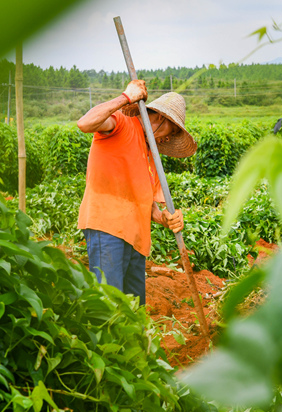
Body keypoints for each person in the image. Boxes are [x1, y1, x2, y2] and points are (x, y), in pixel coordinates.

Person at [76, 79, 197, 304]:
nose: (166, 140)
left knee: (133, 309)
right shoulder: (121, 125)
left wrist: (166, 219)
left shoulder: (151, 156)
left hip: (136, 240)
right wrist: (126, 97)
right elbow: (85, 123)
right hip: (108, 229)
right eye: (168, 134)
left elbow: (148, 204)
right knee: (108, 306)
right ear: (161, 118)